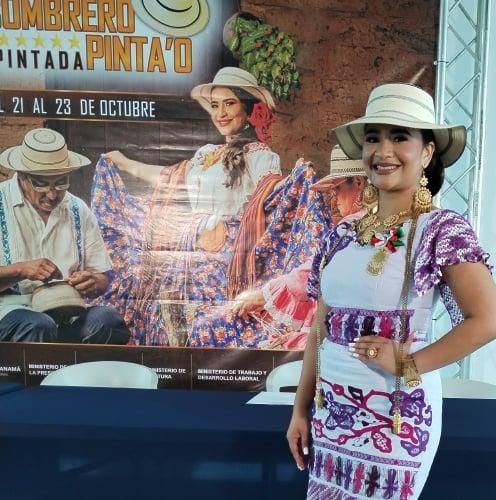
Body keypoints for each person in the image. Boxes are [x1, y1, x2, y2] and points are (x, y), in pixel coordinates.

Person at [286, 84, 496, 499]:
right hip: (330, 415)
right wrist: (300, 409)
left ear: (427, 152)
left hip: (396, 416)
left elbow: (489, 321)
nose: (383, 151)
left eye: (400, 137)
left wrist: (408, 363)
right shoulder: (343, 233)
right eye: (373, 138)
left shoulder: (441, 229)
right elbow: (320, 328)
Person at [93, 67, 328, 345]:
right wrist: (124, 163)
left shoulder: (260, 156)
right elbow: (169, 178)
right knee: (170, 321)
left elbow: (271, 195)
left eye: (229, 104)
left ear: (249, 109)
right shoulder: (207, 153)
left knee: (213, 327)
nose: (221, 113)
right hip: (189, 255)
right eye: (215, 106)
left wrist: (296, 181)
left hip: (224, 260)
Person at [190, 144, 368, 349]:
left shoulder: (353, 227)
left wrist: (264, 295)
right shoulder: (372, 224)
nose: (333, 197)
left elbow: (316, 269)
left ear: (358, 183)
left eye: (337, 188)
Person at [0, 128, 129, 344]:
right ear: (22, 176)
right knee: (38, 325)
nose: (52, 195)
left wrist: (91, 282)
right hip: (10, 311)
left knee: (107, 320)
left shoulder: (78, 209)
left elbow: (102, 278)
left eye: (60, 183)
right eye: (41, 184)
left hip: (68, 311)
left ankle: (78, 368)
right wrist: (20, 270)